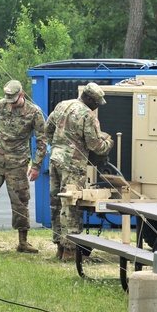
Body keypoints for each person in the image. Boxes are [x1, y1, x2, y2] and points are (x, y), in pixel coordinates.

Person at [0, 79, 47, 254]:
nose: (11, 103)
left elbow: (42, 141)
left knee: (20, 202)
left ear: (22, 95)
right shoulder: (0, 105)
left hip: (18, 163)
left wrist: (36, 165)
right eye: (8, 98)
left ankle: (22, 242)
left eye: (14, 99)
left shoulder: (34, 112)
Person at [45, 82, 113, 261]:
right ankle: (71, 251)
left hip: (55, 159)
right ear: (89, 98)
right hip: (73, 165)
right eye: (96, 102)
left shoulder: (62, 105)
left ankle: (60, 247)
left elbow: (47, 129)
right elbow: (95, 145)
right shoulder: (87, 115)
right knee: (72, 205)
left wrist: (59, 145)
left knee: (57, 203)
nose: (97, 106)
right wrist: (108, 143)